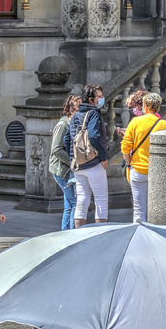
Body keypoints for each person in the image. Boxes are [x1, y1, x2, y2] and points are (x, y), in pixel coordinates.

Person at [62, 84, 110, 228]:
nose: (102, 99)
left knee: (82, 200)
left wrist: (74, 156)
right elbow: (95, 136)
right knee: (101, 200)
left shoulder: (75, 115)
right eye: (99, 97)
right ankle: (99, 234)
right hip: (93, 163)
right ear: (91, 100)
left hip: (78, 166)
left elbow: (66, 139)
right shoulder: (94, 113)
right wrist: (103, 158)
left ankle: (79, 233)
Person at [120, 92, 166, 225]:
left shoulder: (136, 121)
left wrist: (129, 163)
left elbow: (125, 147)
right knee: (156, 208)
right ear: (158, 107)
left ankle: (139, 236)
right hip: (157, 171)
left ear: (146, 106)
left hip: (137, 169)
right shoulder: (165, 124)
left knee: (139, 208)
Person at [49, 94, 79, 231]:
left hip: (66, 169)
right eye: (79, 108)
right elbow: (56, 149)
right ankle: (72, 234)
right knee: (75, 203)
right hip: (62, 170)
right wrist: (73, 163)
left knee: (69, 203)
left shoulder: (73, 123)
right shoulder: (63, 125)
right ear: (71, 110)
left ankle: (65, 233)